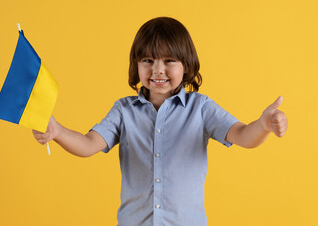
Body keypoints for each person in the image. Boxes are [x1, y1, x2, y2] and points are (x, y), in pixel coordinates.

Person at [33, 17, 288, 226]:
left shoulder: (201, 108)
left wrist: (263, 125)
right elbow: (89, 144)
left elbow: (243, 135)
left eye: (169, 61)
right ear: (137, 65)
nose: (157, 70)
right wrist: (57, 131)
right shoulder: (124, 110)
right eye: (148, 60)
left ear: (186, 66)